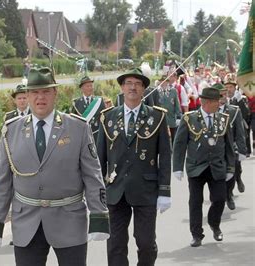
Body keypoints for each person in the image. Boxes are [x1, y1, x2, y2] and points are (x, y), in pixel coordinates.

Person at [0, 67, 110, 266]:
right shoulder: (12, 130)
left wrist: (99, 215)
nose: (40, 97)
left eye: (46, 91)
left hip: (69, 218)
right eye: (35, 92)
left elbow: (92, 175)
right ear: (26, 95)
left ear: (55, 94)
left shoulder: (78, 128)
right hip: (27, 221)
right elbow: (2, 182)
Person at [97, 68, 172, 266]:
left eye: (137, 84)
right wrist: (96, 192)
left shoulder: (156, 117)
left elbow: (165, 155)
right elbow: (99, 158)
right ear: (121, 88)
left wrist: (165, 191)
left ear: (144, 90)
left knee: (146, 243)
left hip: (145, 189)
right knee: (115, 244)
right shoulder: (108, 117)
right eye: (128, 83)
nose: (132, 87)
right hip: (116, 190)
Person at [173, 87, 235, 247]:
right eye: (217, 101)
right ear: (207, 102)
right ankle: (196, 234)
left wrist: (230, 168)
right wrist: (177, 167)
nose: (220, 103)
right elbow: (179, 144)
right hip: (196, 167)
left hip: (217, 166)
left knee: (220, 199)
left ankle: (214, 224)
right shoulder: (189, 119)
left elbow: (228, 146)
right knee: (195, 202)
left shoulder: (223, 119)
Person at [213, 83, 246, 210]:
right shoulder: (208, 110)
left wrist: (242, 150)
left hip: (231, 148)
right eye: (220, 95)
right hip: (215, 148)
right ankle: (220, 194)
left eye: (224, 94)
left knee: (233, 168)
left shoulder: (234, 111)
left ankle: (229, 194)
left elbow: (240, 133)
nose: (223, 97)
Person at [225, 73, 251, 191]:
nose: (229, 89)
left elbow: (246, 114)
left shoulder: (240, 98)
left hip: (236, 134)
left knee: (236, 162)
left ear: (235, 87)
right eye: (227, 86)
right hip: (224, 133)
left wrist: (240, 101)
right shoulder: (221, 99)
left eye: (231, 87)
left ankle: (238, 178)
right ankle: (227, 190)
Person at [70, 76, 105, 142]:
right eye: (87, 86)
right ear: (82, 88)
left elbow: (104, 118)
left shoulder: (99, 101)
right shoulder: (76, 103)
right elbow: (73, 121)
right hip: (82, 136)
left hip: (96, 136)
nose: (90, 88)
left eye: (91, 86)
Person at [157, 75, 182, 143]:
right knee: (162, 138)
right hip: (160, 118)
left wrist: (179, 117)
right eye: (163, 81)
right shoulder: (156, 91)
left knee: (173, 137)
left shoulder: (173, 91)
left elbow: (177, 104)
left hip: (171, 118)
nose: (164, 83)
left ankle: (172, 151)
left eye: (166, 81)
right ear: (160, 82)